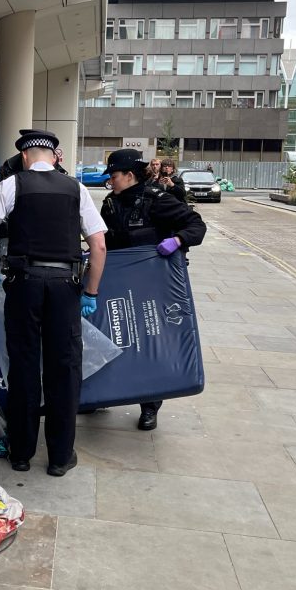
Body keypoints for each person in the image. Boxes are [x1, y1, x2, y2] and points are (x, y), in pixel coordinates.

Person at [0, 129, 107, 476]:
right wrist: (90, 292)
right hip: (65, 286)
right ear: (54, 155)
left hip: (24, 284)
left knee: (24, 366)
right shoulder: (76, 188)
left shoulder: (11, 185)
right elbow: (99, 245)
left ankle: (21, 453)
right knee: (64, 368)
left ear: (26, 157)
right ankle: (60, 457)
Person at [101, 148, 206, 431]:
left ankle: (150, 406)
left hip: (152, 286)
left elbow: (196, 225)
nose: (110, 182)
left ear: (130, 175)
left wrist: (179, 240)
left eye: (113, 176)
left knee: (149, 340)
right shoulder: (110, 203)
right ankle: (100, 395)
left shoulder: (157, 200)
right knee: (111, 336)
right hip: (117, 281)